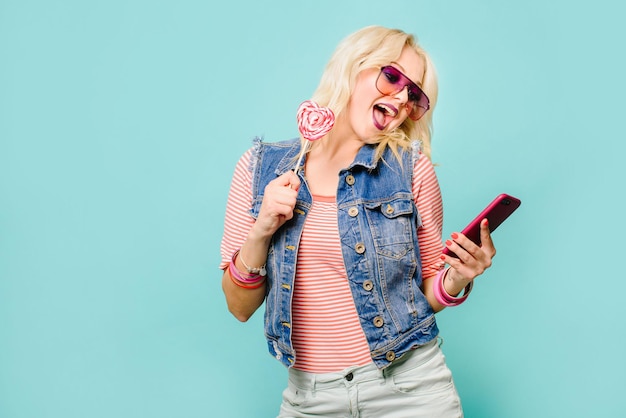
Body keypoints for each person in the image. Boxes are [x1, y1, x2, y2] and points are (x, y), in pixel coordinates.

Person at [219, 25, 496, 418]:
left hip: (409, 389)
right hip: (309, 399)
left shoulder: (410, 169)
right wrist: (262, 228)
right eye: (392, 77)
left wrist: (458, 278)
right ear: (352, 68)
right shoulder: (259, 169)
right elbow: (239, 306)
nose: (401, 98)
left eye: (414, 95)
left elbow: (426, 294)